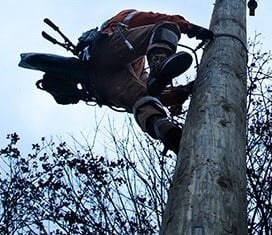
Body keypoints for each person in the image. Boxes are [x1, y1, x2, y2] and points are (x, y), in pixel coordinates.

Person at [80, 9, 213, 155]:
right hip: (104, 49)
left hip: (102, 83)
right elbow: (148, 18)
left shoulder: (138, 66)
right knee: (167, 28)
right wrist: (189, 28)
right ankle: (159, 61)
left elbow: (152, 90)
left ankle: (164, 129)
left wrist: (182, 91)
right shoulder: (121, 22)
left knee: (144, 99)